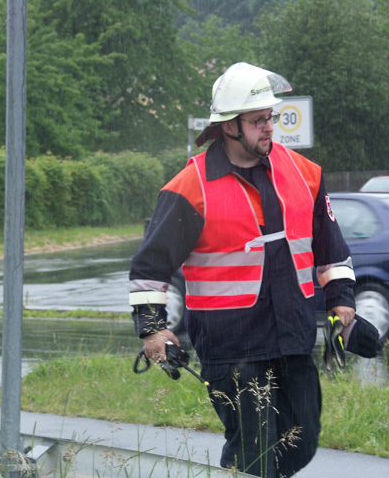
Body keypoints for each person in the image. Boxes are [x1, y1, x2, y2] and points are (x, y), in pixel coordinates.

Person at [129, 62, 356, 477]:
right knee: (253, 449)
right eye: (257, 121)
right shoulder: (190, 186)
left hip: (293, 336)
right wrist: (152, 326)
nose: (268, 127)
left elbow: (330, 249)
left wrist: (342, 301)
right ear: (228, 127)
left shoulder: (306, 174)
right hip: (231, 345)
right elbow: (150, 265)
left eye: (270, 117)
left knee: (302, 439)